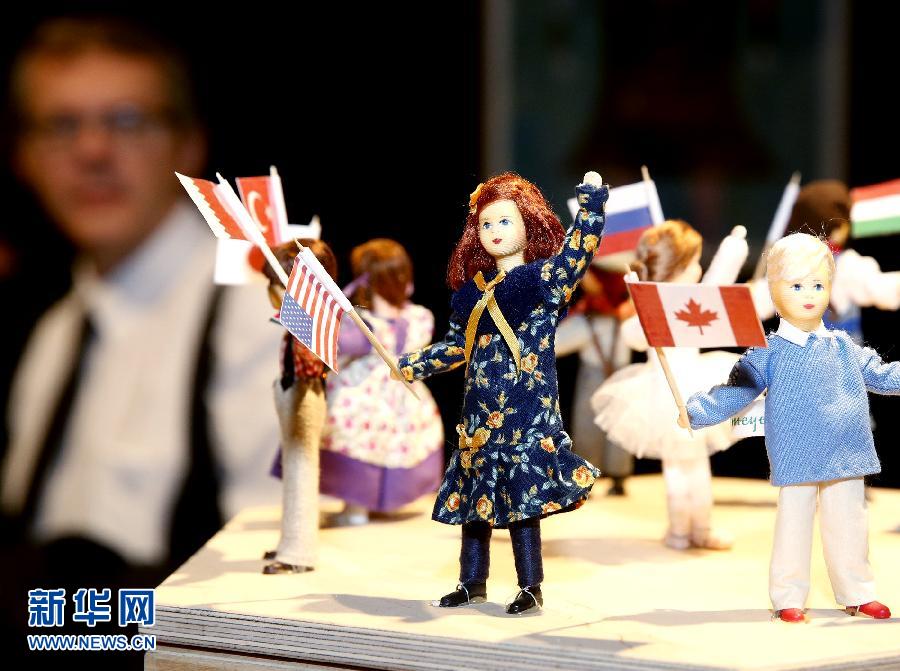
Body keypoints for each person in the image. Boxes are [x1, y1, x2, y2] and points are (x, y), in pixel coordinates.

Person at [0, 15, 280, 619]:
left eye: (127, 121)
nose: (92, 151)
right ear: (24, 156)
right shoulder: (53, 333)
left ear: (188, 145)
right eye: (61, 125)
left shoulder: (261, 311)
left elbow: (279, 593)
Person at [396, 171, 606, 615]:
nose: (494, 231)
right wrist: (414, 365)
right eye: (486, 223)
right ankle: (471, 582)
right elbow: (457, 346)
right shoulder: (472, 293)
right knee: (475, 501)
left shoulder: (542, 281)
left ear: (529, 224)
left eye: (504, 221)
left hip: (527, 413)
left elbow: (577, 253)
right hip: (477, 416)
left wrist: (590, 205)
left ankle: (530, 586)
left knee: (523, 504)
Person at [683, 233, 897, 623]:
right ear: (774, 289)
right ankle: (787, 596)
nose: (809, 295)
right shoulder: (769, 351)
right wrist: (696, 411)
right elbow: (737, 390)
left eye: (818, 285)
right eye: (796, 286)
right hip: (797, 450)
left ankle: (858, 592)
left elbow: (881, 375)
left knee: (850, 523)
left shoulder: (843, 346)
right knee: (793, 525)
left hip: (846, 448)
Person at [591, 221, 749, 551]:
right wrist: (643, 313)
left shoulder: (691, 299)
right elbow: (633, 335)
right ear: (679, 266)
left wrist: (733, 249)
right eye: (694, 262)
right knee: (682, 467)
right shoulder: (655, 306)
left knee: (690, 466)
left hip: (691, 387)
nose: (699, 268)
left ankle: (696, 529)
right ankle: (684, 529)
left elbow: (718, 282)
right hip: (664, 393)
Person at [320, 238, 443, 526]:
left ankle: (356, 509)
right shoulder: (418, 318)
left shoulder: (365, 324)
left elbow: (342, 345)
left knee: (358, 440)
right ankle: (381, 503)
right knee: (393, 444)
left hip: (364, 396)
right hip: (402, 392)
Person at [261, 240, 335, 574]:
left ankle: (298, 552)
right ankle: (290, 543)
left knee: (301, 472)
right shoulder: (300, 319)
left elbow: (312, 362)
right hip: (296, 392)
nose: (272, 291)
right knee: (295, 471)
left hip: (304, 394)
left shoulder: (312, 319)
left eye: (278, 282)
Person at [554, 267, 634, 495]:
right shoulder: (626, 321)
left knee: (588, 424)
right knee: (621, 424)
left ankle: (586, 478)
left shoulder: (586, 321)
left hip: (593, 377)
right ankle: (619, 477)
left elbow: (556, 343)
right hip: (622, 377)